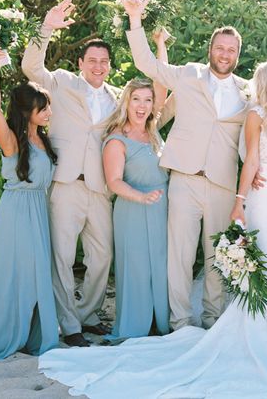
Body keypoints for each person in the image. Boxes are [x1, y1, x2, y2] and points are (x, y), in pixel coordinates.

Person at [39, 60, 267, 399]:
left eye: (146, 101)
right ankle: (177, 321)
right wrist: (241, 197)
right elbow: (251, 155)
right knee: (177, 258)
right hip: (229, 195)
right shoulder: (251, 110)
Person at [121, 0, 250, 330]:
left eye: (231, 50)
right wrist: (135, 19)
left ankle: (212, 319)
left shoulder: (247, 91)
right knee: (179, 255)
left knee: (216, 258)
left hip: (223, 184)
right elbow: (148, 65)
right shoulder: (189, 74)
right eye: (220, 48)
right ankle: (180, 322)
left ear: (238, 54)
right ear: (211, 49)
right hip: (184, 179)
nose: (225, 54)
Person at [22, 0, 120, 347]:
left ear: (109, 67)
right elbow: (31, 66)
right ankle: (69, 324)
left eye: (104, 62)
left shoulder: (117, 99)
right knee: (62, 257)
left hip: (100, 189)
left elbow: (150, 115)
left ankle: (88, 314)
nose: (98, 66)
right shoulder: (61, 83)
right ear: (81, 63)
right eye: (92, 60)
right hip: (65, 185)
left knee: (102, 256)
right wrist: (45, 27)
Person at [0, 48, 59, 359]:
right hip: (17, 213)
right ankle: (7, 333)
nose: (48, 112)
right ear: (26, 112)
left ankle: (34, 335)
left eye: (48, 106)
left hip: (39, 211)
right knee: (18, 274)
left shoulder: (44, 139)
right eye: (42, 108)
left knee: (38, 274)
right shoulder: (12, 141)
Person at [102, 71, 170, 338]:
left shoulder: (153, 133)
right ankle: (135, 326)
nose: (142, 106)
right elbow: (114, 181)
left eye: (147, 100)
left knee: (160, 266)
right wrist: (141, 197)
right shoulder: (118, 139)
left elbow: (163, 87)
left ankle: (158, 322)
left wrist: (161, 48)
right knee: (137, 267)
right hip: (133, 209)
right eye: (136, 100)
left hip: (160, 208)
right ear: (126, 103)